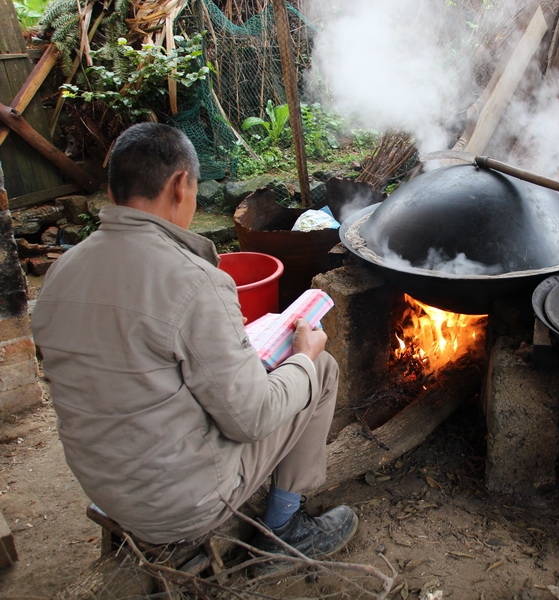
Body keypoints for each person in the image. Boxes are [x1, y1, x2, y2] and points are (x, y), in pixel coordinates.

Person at [31, 122, 357, 560]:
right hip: (180, 503)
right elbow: (253, 419)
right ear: (181, 184)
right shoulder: (193, 280)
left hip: (103, 484)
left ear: (112, 193)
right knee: (321, 368)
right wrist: (302, 356)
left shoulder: (61, 271)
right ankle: (287, 529)